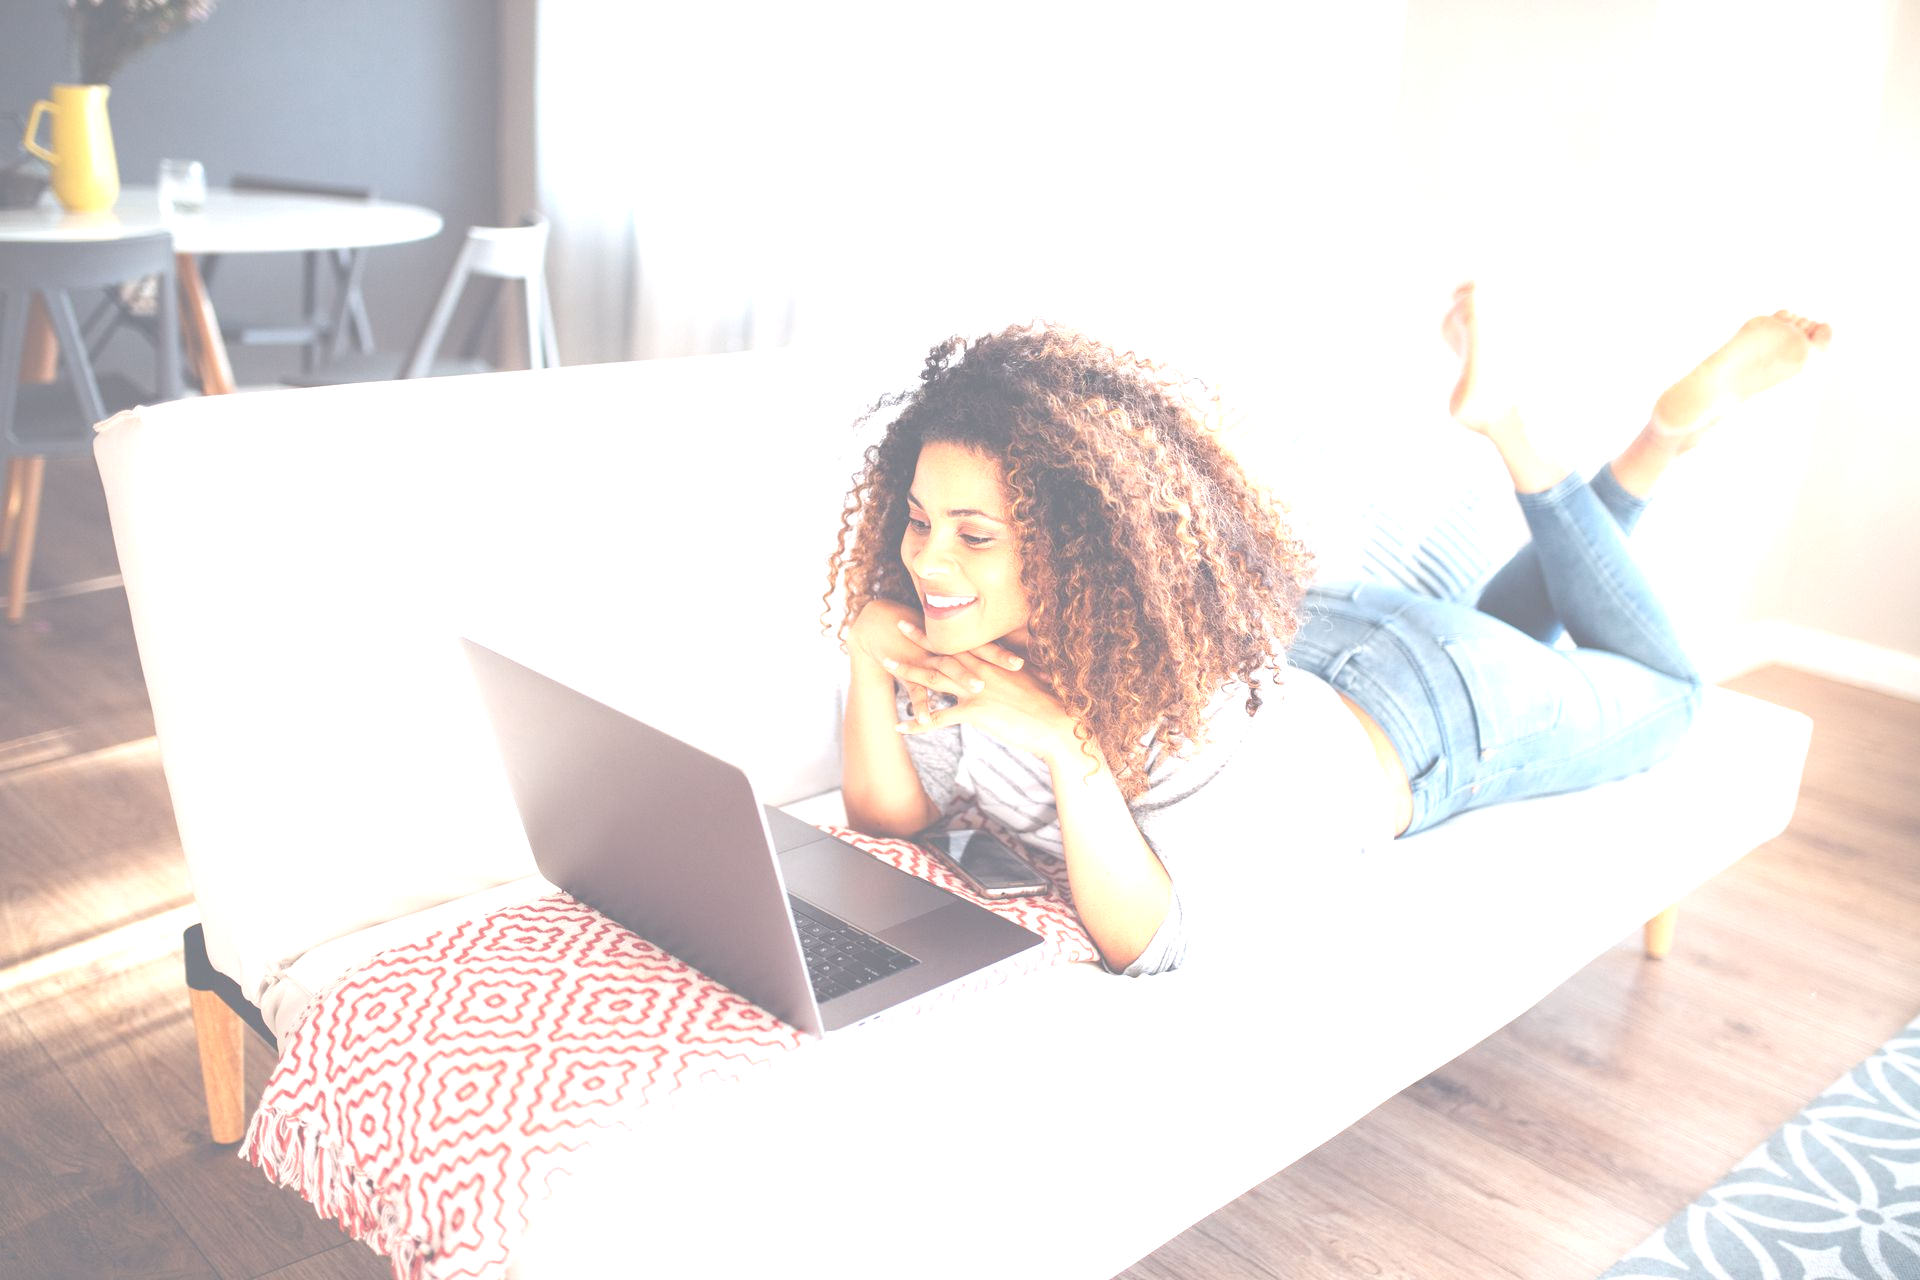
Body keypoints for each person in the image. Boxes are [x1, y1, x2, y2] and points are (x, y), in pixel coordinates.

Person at [823, 286, 1831, 976]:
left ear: (1075, 544)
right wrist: (869, 665)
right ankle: (1662, 441)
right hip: (1329, 645)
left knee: (1677, 695)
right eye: (917, 518)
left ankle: (1524, 427)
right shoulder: (987, 641)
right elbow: (893, 815)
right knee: (1515, 633)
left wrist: (1066, 740)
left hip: (1430, 706)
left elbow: (1148, 936)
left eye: (973, 533)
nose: (927, 561)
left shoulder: (1170, 715)